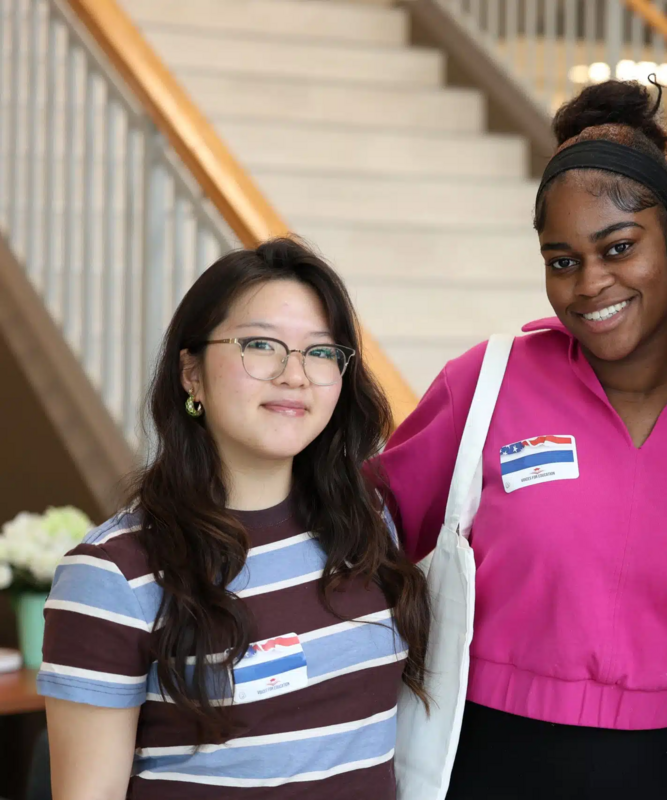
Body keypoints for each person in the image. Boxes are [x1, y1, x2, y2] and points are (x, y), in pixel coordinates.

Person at [373, 79, 667, 799]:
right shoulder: (488, 383)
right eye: (562, 261)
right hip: (494, 760)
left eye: (619, 248)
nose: (591, 284)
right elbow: (359, 532)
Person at [38, 238, 429, 798]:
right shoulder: (113, 574)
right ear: (191, 372)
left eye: (320, 352)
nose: (295, 375)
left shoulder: (366, 524)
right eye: (261, 345)